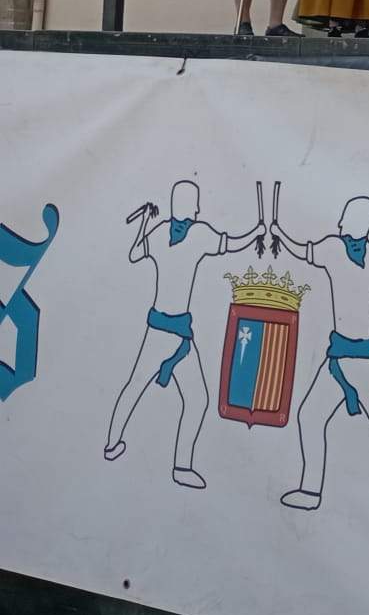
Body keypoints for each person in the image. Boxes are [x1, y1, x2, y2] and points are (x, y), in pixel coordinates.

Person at [104, 181, 264, 489]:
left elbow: (136, 252)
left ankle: (145, 454)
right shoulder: (195, 233)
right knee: (181, 396)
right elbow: (231, 243)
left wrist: (146, 224)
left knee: (180, 395)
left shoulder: (168, 229)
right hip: (170, 330)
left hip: (168, 330)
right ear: (194, 209)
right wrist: (256, 231)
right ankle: (176, 464)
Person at [270, 195, 369, 519]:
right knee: (312, 416)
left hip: (358, 357)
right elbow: (303, 250)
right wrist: (279, 230)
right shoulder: (343, 250)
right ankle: (311, 490)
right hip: (345, 354)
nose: (339, 225)